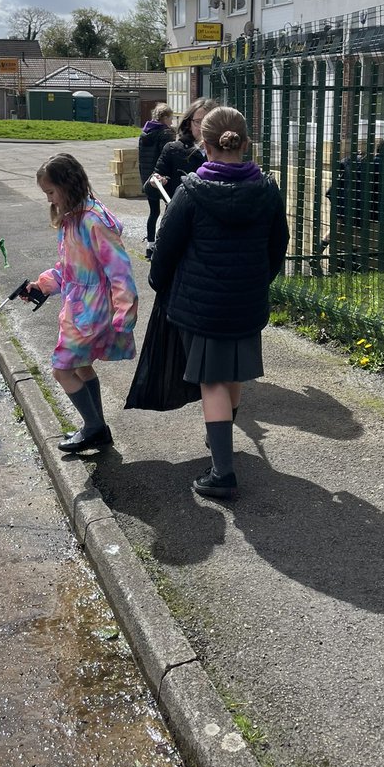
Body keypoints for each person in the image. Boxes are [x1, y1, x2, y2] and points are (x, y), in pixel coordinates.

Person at [149, 106, 290, 499]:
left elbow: (166, 249)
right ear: (245, 143)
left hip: (202, 306)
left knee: (212, 380)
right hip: (245, 301)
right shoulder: (266, 190)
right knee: (232, 375)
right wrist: (259, 281)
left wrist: (158, 282)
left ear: (204, 145)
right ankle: (222, 438)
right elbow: (278, 244)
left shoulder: (191, 191)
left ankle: (223, 472)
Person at [24, 153, 139, 454]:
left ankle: (92, 427)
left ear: (68, 184)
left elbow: (120, 269)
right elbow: (68, 269)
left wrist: (125, 312)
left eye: (51, 192)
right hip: (78, 307)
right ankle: (96, 427)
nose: (49, 199)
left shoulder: (93, 221)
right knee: (82, 367)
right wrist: (42, 285)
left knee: (62, 369)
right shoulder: (72, 218)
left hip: (93, 309)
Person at [145, 97, 218, 197]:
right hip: (181, 211)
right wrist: (155, 183)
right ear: (189, 124)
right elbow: (149, 190)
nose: (203, 127)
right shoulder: (173, 149)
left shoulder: (226, 151)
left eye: (209, 122)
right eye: (198, 121)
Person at [137, 103, 175, 259]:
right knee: (170, 211)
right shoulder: (165, 134)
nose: (172, 122)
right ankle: (163, 245)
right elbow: (167, 157)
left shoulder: (144, 133)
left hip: (147, 177)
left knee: (153, 212)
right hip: (162, 178)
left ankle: (150, 246)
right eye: (171, 118)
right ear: (165, 118)